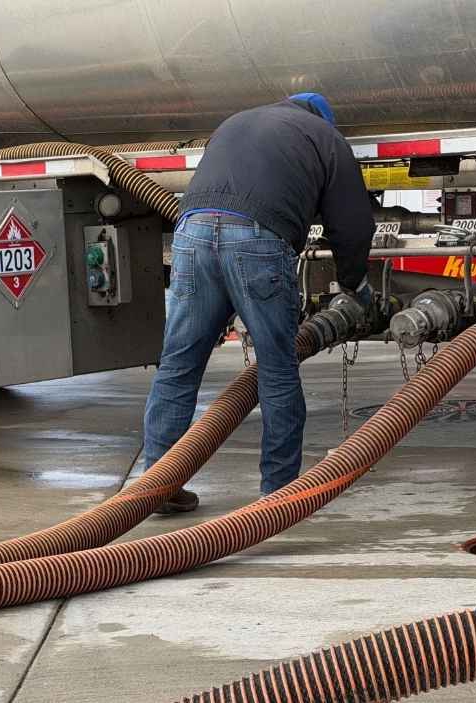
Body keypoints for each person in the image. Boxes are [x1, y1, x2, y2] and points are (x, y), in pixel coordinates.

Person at [142, 92, 376, 514]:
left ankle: (158, 485)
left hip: (191, 235)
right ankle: (278, 492)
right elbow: (353, 222)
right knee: (276, 370)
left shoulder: (237, 119)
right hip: (256, 240)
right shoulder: (325, 136)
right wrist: (354, 284)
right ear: (323, 118)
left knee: (178, 365)